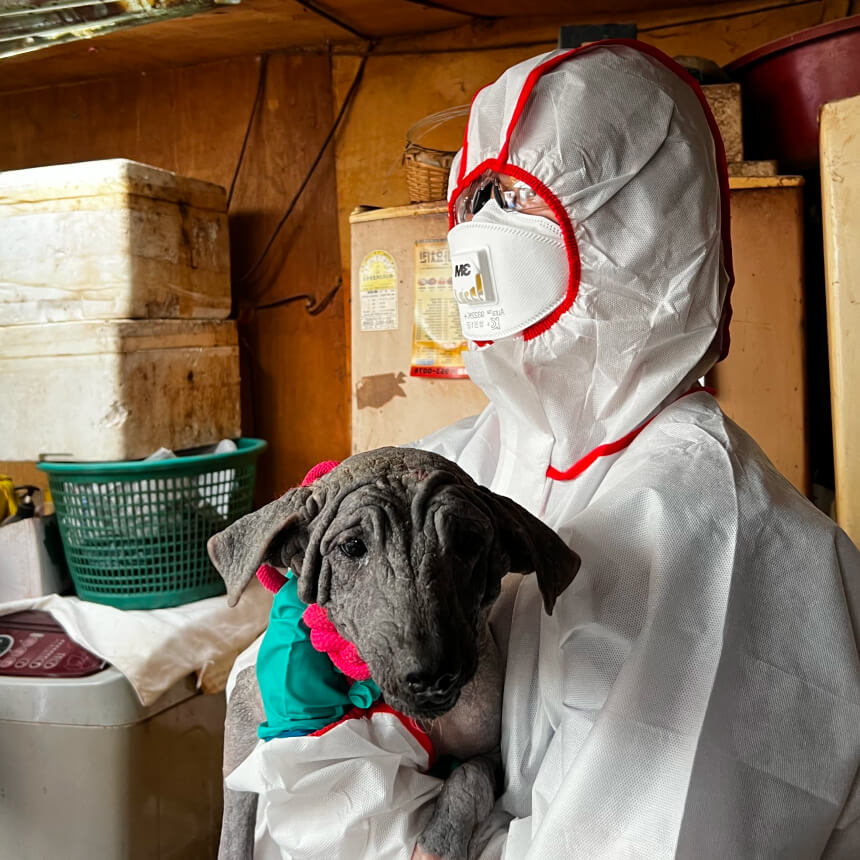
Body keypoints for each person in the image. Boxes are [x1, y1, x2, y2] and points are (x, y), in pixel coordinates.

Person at [409, 39, 860, 858]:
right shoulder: (482, 453)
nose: (485, 228)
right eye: (481, 198)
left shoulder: (711, 532)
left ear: (646, 232)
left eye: (522, 198)